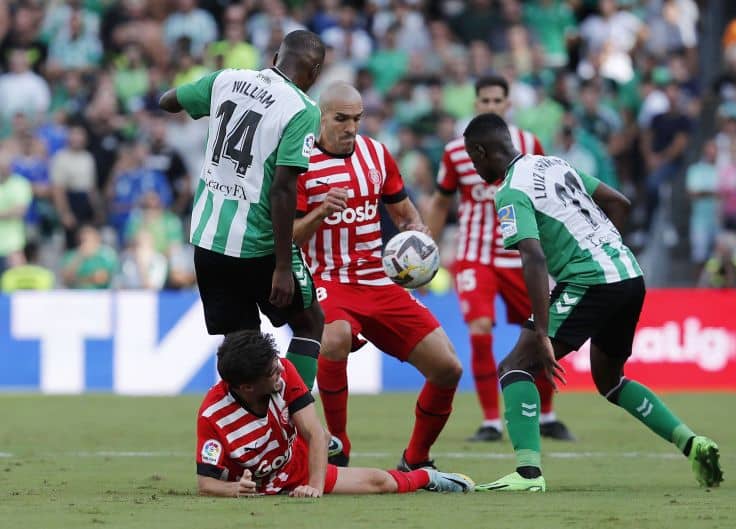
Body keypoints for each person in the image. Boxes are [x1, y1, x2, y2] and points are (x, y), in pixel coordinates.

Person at [462, 113, 723, 492]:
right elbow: (620, 202)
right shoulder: (553, 164)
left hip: (590, 280)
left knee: (515, 365)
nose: (474, 166)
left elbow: (532, 257)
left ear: (482, 151)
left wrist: (541, 327)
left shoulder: (510, 191)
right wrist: (601, 244)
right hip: (629, 276)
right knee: (609, 380)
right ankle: (692, 442)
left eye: (473, 159)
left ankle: (528, 474)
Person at [293, 82, 462, 471]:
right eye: (341, 119)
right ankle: (338, 444)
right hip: (327, 279)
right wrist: (319, 212)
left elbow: (404, 214)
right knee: (334, 338)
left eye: (357, 118)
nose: (351, 127)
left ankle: (416, 459)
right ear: (321, 117)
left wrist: (417, 232)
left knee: (448, 368)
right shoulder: (299, 162)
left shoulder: (377, 154)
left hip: (379, 281)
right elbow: (287, 236)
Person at [158, 30, 326, 381]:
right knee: (310, 323)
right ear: (316, 71)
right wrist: (282, 266)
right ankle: (294, 420)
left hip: (208, 239)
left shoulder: (227, 79)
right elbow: (283, 190)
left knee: (240, 345)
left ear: (276, 56)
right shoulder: (301, 109)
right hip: (257, 246)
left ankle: (242, 431)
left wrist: (196, 100)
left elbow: (167, 101)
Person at [425, 75, 573, 443]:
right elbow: (443, 200)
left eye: (497, 101)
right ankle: (491, 420)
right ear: (476, 105)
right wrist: (428, 243)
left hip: (520, 255)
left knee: (541, 331)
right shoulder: (455, 151)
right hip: (475, 255)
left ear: (508, 105)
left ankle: (548, 414)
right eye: (484, 101)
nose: (491, 106)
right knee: (479, 330)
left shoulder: (529, 144)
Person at [196, 330, 473, 497]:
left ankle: (427, 477)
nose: (279, 369)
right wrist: (235, 490)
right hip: (261, 478)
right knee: (316, 437)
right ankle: (323, 447)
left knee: (379, 482)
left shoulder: (282, 370)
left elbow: (313, 431)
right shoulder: (213, 416)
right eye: (271, 372)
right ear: (247, 387)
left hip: (297, 466)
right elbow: (206, 482)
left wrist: (314, 486)